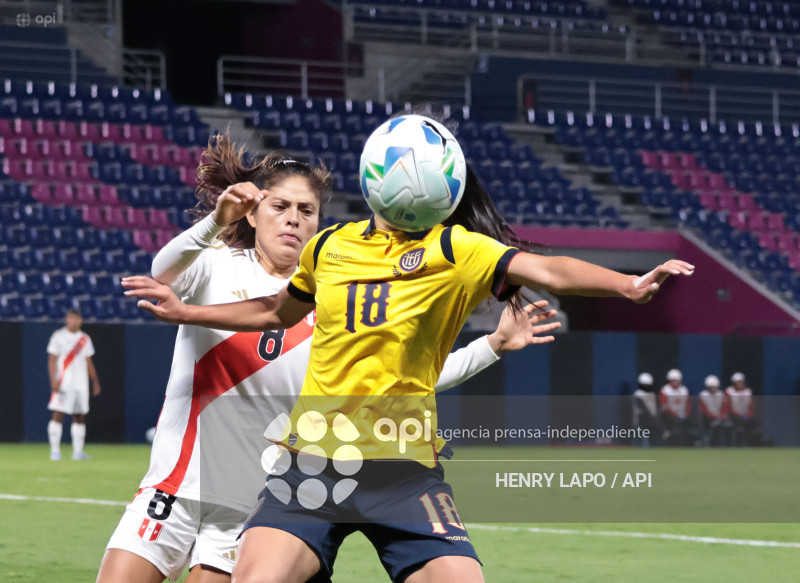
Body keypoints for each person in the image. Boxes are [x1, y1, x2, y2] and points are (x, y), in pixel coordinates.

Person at [122, 114, 694, 583]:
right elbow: (275, 311)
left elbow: (546, 267)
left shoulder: (458, 249)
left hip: (403, 470)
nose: (297, 221)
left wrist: (626, 284)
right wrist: (187, 310)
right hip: (311, 463)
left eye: (305, 210)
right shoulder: (331, 248)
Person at [46, 308, 101, 461]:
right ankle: (55, 451)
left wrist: (94, 381)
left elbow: (88, 362)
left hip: (81, 384)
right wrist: (53, 380)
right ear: (67, 319)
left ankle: (77, 451)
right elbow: (52, 360)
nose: (74, 321)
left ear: (80, 320)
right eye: (72, 318)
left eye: (77, 318)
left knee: (80, 415)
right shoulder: (58, 336)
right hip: (64, 382)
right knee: (58, 413)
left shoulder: (85, 338)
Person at [725, 372, 759, 446]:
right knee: (739, 423)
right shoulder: (729, 391)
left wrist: (747, 415)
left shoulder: (748, 392)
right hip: (733, 416)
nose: (739, 384)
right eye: (737, 382)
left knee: (753, 422)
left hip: (746, 416)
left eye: (740, 382)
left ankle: (751, 444)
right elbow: (728, 407)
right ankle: (737, 444)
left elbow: (751, 407)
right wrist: (739, 415)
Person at [698, 375, 731, 446]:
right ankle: (705, 442)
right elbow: (704, 410)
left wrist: (721, 416)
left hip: (720, 418)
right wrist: (714, 416)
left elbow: (724, 408)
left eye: (714, 386)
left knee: (726, 424)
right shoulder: (703, 395)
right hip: (708, 418)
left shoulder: (721, 395)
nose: (713, 388)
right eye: (711, 387)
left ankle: (724, 445)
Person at [631, 372, 663, 446]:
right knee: (642, 443)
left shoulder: (652, 394)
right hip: (640, 423)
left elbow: (656, 409)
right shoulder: (637, 394)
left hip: (652, 423)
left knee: (653, 442)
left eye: (647, 385)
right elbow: (643, 411)